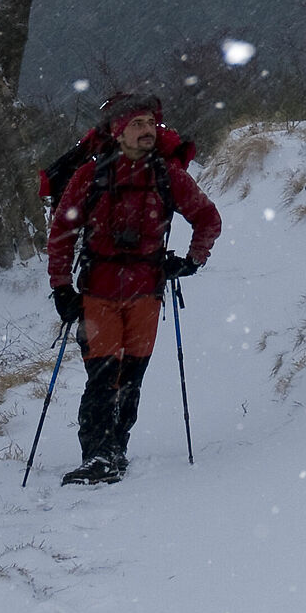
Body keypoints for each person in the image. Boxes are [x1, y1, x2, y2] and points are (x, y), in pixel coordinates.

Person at [46, 94, 220, 485]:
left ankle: (115, 451)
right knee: (103, 377)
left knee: (131, 378)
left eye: (150, 123)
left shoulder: (166, 175)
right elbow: (61, 234)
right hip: (98, 294)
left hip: (145, 294)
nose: (147, 131)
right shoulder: (89, 176)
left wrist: (193, 260)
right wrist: (61, 287)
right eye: (138, 124)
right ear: (117, 131)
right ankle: (98, 456)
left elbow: (208, 218)